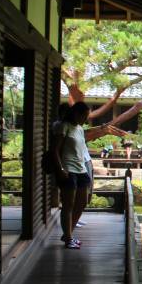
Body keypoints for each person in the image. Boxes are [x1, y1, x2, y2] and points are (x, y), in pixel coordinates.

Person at [54, 102, 91, 248]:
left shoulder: (80, 129)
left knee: (82, 202)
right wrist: (60, 169)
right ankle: (68, 238)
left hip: (81, 169)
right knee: (68, 205)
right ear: (76, 113)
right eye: (84, 115)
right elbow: (55, 150)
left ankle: (68, 233)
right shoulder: (64, 126)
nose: (85, 119)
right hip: (68, 169)